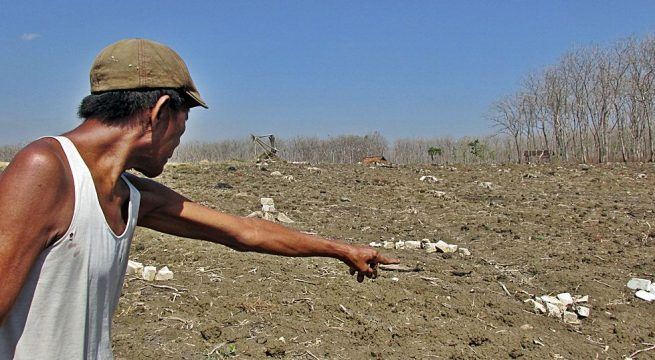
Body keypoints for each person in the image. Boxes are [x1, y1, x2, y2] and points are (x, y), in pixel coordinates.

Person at [0, 38, 398, 359]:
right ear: (159, 113)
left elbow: (243, 232)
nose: (179, 141)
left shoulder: (129, 193)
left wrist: (339, 249)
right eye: (183, 123)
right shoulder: (46, 169)